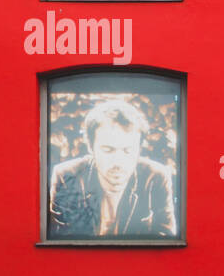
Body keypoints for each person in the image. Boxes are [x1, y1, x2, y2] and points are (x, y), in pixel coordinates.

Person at [48, 99, 177, 239]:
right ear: (91, 148)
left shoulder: (156, 177)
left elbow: (166, 241)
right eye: (108, 150)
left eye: (128, 150)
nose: (118, 161)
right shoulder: (66, 176)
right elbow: (59, 241)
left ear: (139, 149)